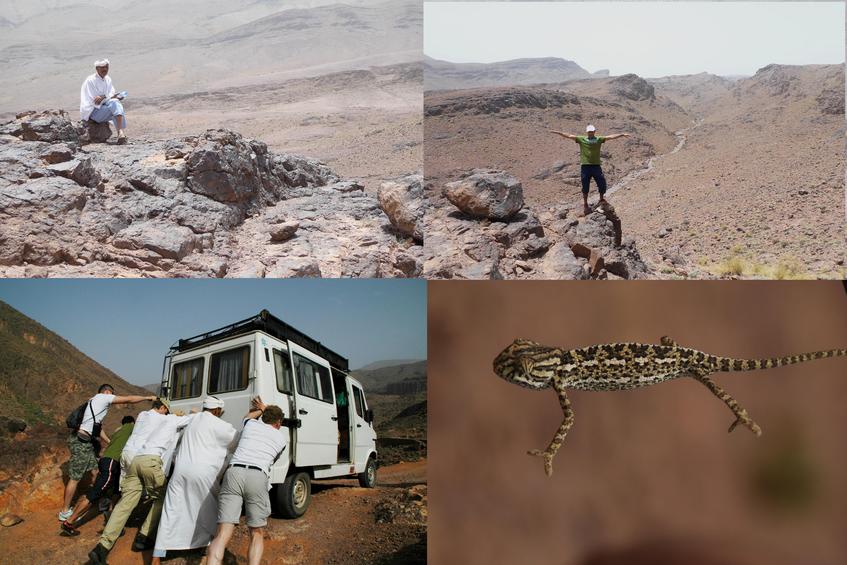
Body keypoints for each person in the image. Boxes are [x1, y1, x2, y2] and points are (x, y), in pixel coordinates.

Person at [88, 406, 194, 565]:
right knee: (163, 496)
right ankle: (143, 537)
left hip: (135, 461)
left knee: (125, 504)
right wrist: (192, 413)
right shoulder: (173, 420)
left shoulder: (155, 420)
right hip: (150, 464)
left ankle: (102, 547)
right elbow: (195, 418)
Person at [151, 396, 236, 564]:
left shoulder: (192, 419)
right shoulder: (221, 425)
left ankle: (156, 556)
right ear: (217, 410)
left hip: (180, 471)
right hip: (203, 473)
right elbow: (236, 441)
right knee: (211, 509)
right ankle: (208, 547)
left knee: (171, 511)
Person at [207, 397, 288, 565]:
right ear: (278, 423)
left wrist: (261, 409)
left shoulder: (250, 424)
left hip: (234, 472)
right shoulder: (281, 440)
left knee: (222, 533)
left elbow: (249, 416)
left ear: (263, 417)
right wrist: (266, 409)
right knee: (256, 532)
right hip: (257, 476)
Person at [59, 384, 156, 522]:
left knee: (94, 473)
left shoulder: (95, 402)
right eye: (111, 394)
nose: (112, 397)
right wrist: (147, 397)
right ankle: (64, 511)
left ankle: (98, 500)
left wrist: (110, 442)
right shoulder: (102, 398)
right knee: (75, 478)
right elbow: (128, 399)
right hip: (80, 442)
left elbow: (98, 428)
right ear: (106, 392)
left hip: (86, 442)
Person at [60, 415, 135, 536]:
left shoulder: (118, 431)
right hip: (112, 462)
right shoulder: (131, 427)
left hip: (106, 461)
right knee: (94, 493)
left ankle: (111, 516)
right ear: (132, 422)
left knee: (116, 489)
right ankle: (69, 522)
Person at [550, 124, 631, 215]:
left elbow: (610, 137)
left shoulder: (599, 139)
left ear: (594, 131)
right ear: (587, 132)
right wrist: (558, 132)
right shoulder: (582, 139)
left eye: (592, 131)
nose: (590, 133)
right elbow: (569, 136)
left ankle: (601, 199)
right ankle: (585, 203)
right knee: (585, 186)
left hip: (596, 166)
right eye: (589, 132)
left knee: (602, 183)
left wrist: (622, 134)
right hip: (585, 167)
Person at [119, 398, 170, 484]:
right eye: (166, 411)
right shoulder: (160, 417)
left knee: (125, 484)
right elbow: (172, 420)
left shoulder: (142, 414)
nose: (166, 414)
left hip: (126, 451)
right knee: (137, 485)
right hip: (135, 454)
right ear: (162, 407)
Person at [80, 58, 128, 144]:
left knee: (115, 103)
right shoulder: (90, 81)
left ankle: (121, 133)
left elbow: (110, 93)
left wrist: (108, 96)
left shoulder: (108, 79)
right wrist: (109, 97)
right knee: (115, 105)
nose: (104, 69)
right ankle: (120, 132)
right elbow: (95, 101)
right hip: (92, 112)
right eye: (102, 67)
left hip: (103, 108)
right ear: (97, 69)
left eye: (106, 67)